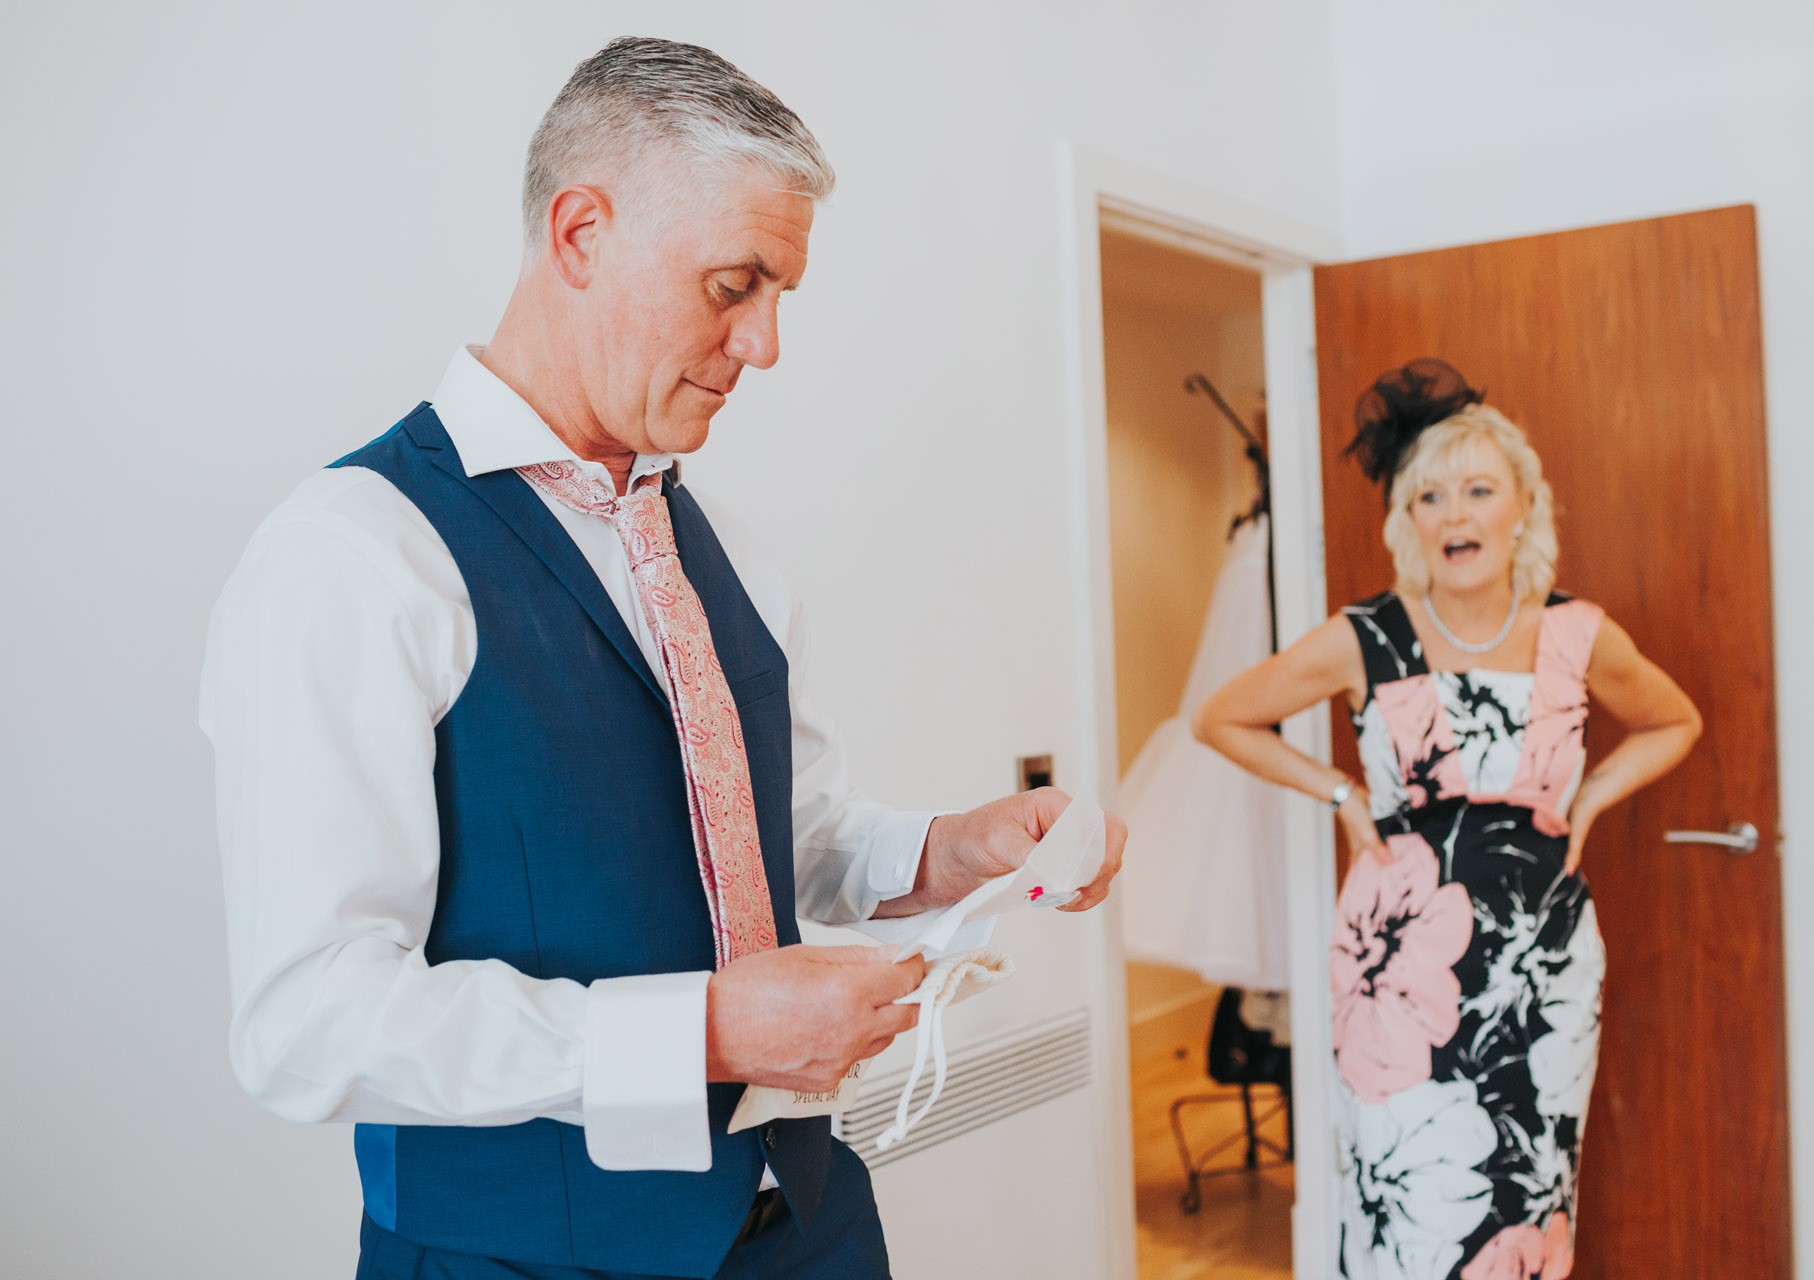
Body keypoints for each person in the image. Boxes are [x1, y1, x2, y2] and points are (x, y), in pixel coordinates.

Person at [200, 37, 1122, 1280]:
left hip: (812, 1226)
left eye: (782, 294)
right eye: (734, 283)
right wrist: (706, 1027)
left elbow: (774, 839)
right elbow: (308, 1022)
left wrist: (953, 848)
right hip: (516, 1257)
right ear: (579, 233)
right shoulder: (355, 553)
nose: (767, 344)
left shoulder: (719, 542)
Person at [1192, 360, 1701, 1280]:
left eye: (1478, 490)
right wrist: (1341, 794)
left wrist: (1589, 796)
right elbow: (1220, 716)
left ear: (1522, 508)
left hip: (1545, 962)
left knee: (1532, 1193)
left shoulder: (1576, 633)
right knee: (1412, 1202)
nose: (1456, 515)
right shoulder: (1366, 636)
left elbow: (1675, 720)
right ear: (1407, 521)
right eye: (1431, 496)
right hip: (1395, 973)